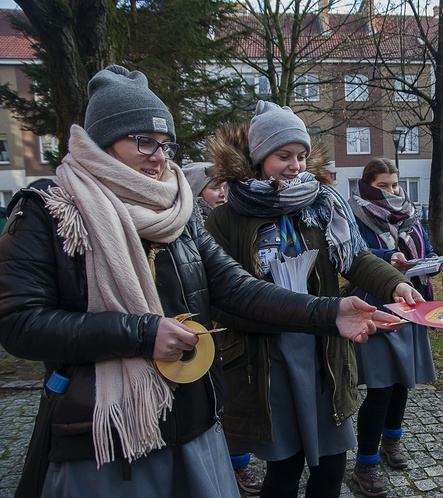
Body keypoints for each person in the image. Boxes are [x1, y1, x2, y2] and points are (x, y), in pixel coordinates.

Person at [0, 65, 397, 498]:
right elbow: (20, 324)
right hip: (106, 433)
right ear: (101, 143)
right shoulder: (47, 211)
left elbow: (236, 287)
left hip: (191, 416)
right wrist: (142, 333)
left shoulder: (180, 213)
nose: (158, 156)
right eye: (143, 141)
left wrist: (331, 312)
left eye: (166, 144)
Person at [204, 101, 423, 498]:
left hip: (325, 350)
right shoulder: (225, 218)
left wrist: (394, 283)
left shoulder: (320, 205)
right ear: (258, 157)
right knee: (284, 469)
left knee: (331, 463)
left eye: (301, 156)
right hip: (267, 358)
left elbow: (353, 257)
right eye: (283, 156)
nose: (295, 165)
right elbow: (220, 296)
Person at [347, 158, 440, 497]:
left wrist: (430, 262)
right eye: (383, 185)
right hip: (376, 309)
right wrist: (386, 257)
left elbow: (426, 249)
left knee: (403, 382)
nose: (391, 191)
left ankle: (392, 440)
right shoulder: (353, 215)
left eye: (395, 184)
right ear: (367, 185)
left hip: (412, 307)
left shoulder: (411, 215)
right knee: (381, 386)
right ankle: (365, 463)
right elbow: (351, 255)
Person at [183, 160, 262, 494]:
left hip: (235, 323)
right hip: (197, 332)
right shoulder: (189, 226)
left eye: (227, 186)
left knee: (232, 398)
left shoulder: (233, 220)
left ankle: (238, 464)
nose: (223, 193)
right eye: (215, 186)